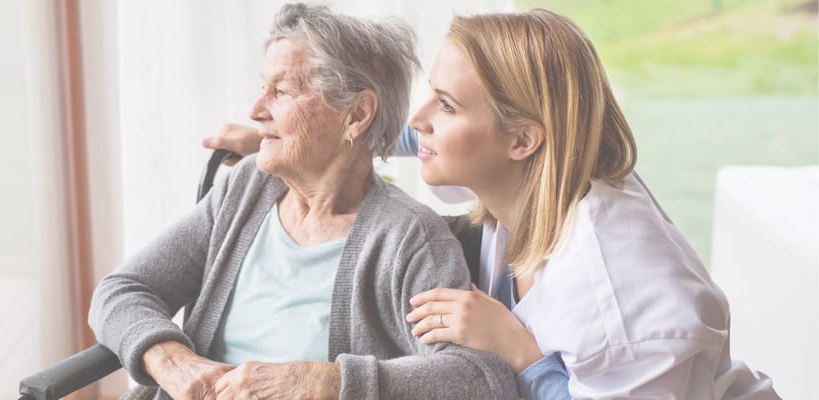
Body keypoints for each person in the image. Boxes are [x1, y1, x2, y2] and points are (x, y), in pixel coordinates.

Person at [203, 8, 779, 400]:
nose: (420, 119)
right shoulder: (538, 176)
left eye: (446, 105)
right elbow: (418, 134)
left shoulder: (619, 294)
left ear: (523, 139)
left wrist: (517, 349)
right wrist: (304, 137)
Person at [89, 4, 516, 400]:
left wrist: (325, 380)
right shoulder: (245, 191)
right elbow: (122, 290)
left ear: (356, 114)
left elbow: (480, 377)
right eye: (263, 88)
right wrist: (173, 362)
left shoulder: (406, 239)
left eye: (282, 92)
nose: (256, 110)